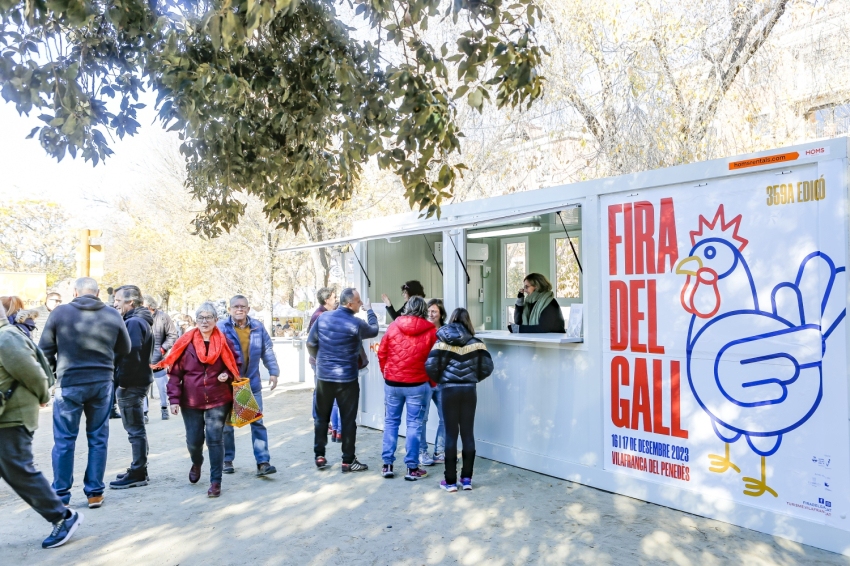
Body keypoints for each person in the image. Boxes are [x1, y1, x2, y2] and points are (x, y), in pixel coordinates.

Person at [38, 277, 131, 509]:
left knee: (64, 440)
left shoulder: (59, 313)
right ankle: (94, 493)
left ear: (75, 292)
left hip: (69, 383)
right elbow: (126, 349)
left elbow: (45, 351)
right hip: (101, 382)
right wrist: (109, 365)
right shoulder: (112, 314)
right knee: (98, 438)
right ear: (98, 292)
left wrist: (49, 378)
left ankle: (60, 494)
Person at [0, 300, 84, 549]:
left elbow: (35, 374)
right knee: (14, 469)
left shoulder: (6, 338)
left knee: (19, 470)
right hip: (7, 416)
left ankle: (63, 517)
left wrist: (43, 397)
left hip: (12, 417)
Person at [159, 302, 239, 498]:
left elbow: (235, 364)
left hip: (218, 398)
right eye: (201, 318)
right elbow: (175, 374)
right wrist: (174, 399)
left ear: (215, 320)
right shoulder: (184, 343)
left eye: (208, 318)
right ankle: (197, 461)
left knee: (215, 438)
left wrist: (226, 375)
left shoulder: (224, 341)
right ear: (196, 320)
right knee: (194, 441)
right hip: (191, 400)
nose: (204, 321)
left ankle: (215, 481)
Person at [307, 287, 378, 472]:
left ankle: (319, 456)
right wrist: (370, 311)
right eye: (359, 301)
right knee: (348, 420)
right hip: (347, 379)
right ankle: (348, 461)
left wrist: (320, 360)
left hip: (324, 377)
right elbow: (374, 330)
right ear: (349, 303)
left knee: (321, 418)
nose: (361, 303)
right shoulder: (356, 323)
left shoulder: (323, 318)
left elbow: (310, 343)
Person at [425, 308, 493, 492]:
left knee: (450, 434)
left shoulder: (441, 342)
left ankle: (450, 481)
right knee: (468, 433)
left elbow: (429, 366)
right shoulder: (477, 343)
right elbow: (488, 367)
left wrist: (442, 379)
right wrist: (472, 378)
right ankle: (467, 479)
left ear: (452, 320)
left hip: (448, 391)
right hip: (469, 391)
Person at [218, 295, 279, 477]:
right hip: (227, 383)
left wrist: (274, 371)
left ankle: (263, 462)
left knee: (257, 421)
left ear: (248, 309)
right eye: (235, 306)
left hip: (251, 382)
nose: (239, 309)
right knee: (227, 424)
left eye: (243, 306)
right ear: (229, 309)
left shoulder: (258, 327)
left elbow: (267, 349)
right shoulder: (221, 327)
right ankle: (227, 460)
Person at [377, 296, 436, 481]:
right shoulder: (431, 330)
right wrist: (432, 382)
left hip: (393, 383)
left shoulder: (393, 326)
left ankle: (387, 465)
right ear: (424, 309)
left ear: (407, 307)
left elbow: (382, 352)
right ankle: (412, 468)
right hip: (418, 385)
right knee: (414, 425)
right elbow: (435, 361)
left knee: (391, 422)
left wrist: (386, 373)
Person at [109, 286, 154, 490]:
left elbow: (131, 353)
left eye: (118, 300)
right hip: (136, 381)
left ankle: (138, 471)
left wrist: (123, 380)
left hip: (133, 383)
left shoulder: (135, 322)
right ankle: (138, 469)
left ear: (131, 303)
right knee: (136, 429)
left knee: (135, 429)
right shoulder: (136, 320)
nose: (114, 303)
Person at [309, 287, 342, 442]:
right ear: (327, 299)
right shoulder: (320, 316)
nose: (336, 299)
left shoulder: (324, 314)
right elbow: (313, 341)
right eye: (334, 297)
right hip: (322, 362)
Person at [419, 298, 447, 466]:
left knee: (445, 418)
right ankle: (422, 452)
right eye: (429, 311)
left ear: (441, 314)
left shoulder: (445, 332)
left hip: (441, 381)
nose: (431, 314)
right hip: (425, 381)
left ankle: (439, 451)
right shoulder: (421, 331)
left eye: (434, 311)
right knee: (422, 419)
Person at [143, 295, 179, 421]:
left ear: (150, 307)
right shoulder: (139, 318)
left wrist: (163, 349)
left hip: (159, 358)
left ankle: (164, 408)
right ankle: (144, 413)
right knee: (143, 388)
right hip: (143, 359)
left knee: (162, 386)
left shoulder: (163, 317)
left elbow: (172, 335)